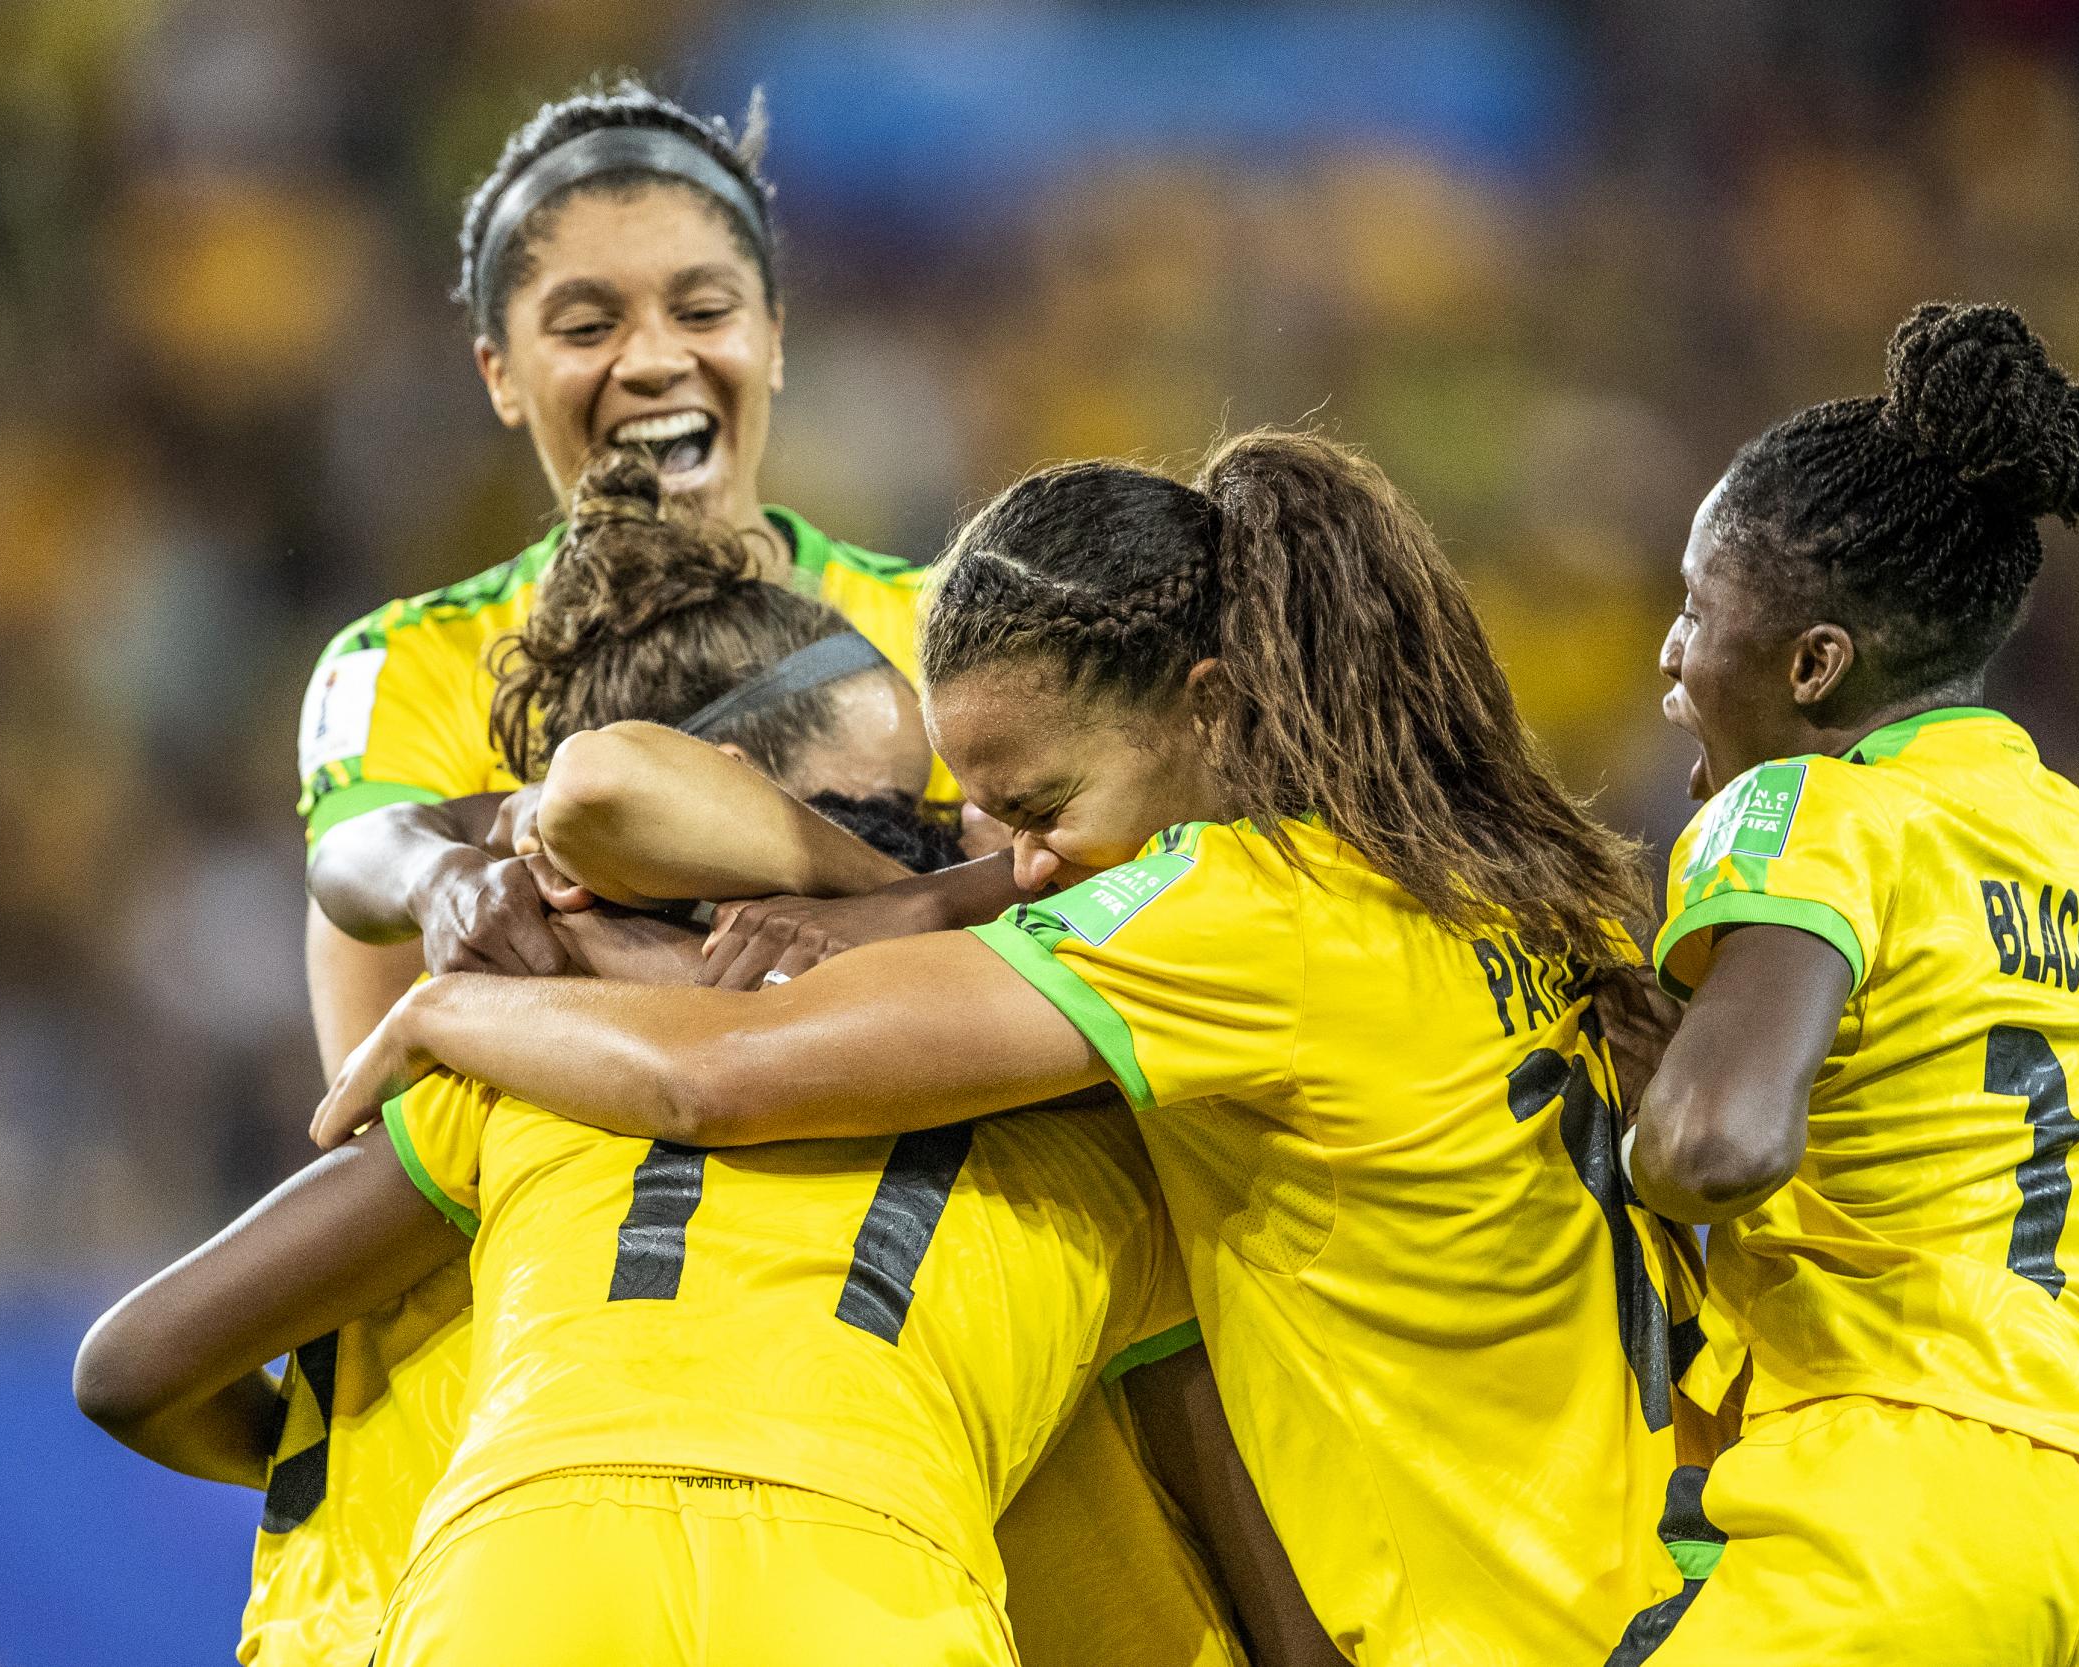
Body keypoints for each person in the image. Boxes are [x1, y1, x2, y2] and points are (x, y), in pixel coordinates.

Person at [312, 427, 1714, 1665]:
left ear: (1209, 708)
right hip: (1662, 1589)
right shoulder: (1466, 876)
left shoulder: (1231, 915)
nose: (1024, 862)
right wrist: (919, 893)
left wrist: (457, 1002)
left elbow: (727, 1066)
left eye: (1038, 804)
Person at [82, 455, 1325, 1667]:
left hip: (487, 1581)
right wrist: (921, 912)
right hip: (873, 1586)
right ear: (719, 787)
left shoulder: (517, 1050)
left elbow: (137, 1367)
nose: (950, 834)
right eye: (881, 803)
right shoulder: (1083, 1071)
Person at [1625, 302, 2079, 1662]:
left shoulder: (1808, 806)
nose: (1670, 656)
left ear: (1814, 664)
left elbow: (1713, 1139)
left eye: (1694, 608)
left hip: (1895, 1509)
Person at [297, 77, 933, 1072]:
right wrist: (445, 882)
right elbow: (357, 854)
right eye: (588, 327)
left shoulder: (943, 626)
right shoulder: (414, 657)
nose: (651, 360)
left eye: (703, 308)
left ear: (773, 334)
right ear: (499, 373)